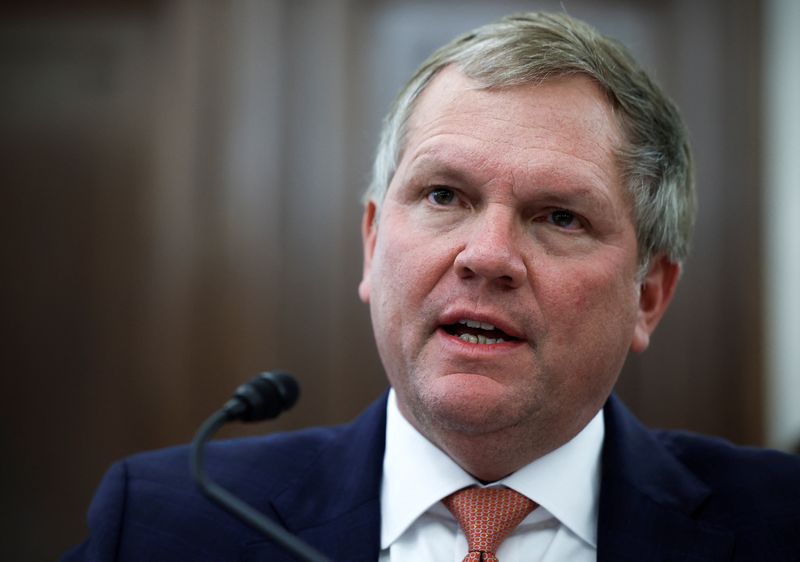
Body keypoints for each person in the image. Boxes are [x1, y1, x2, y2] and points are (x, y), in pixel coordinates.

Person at [63, 12, 800, 562]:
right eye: (445, 195)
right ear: (374, 241)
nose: (487, 256)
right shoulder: (168, 520)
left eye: (561, 216)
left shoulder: (778, 522)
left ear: (648, 296)